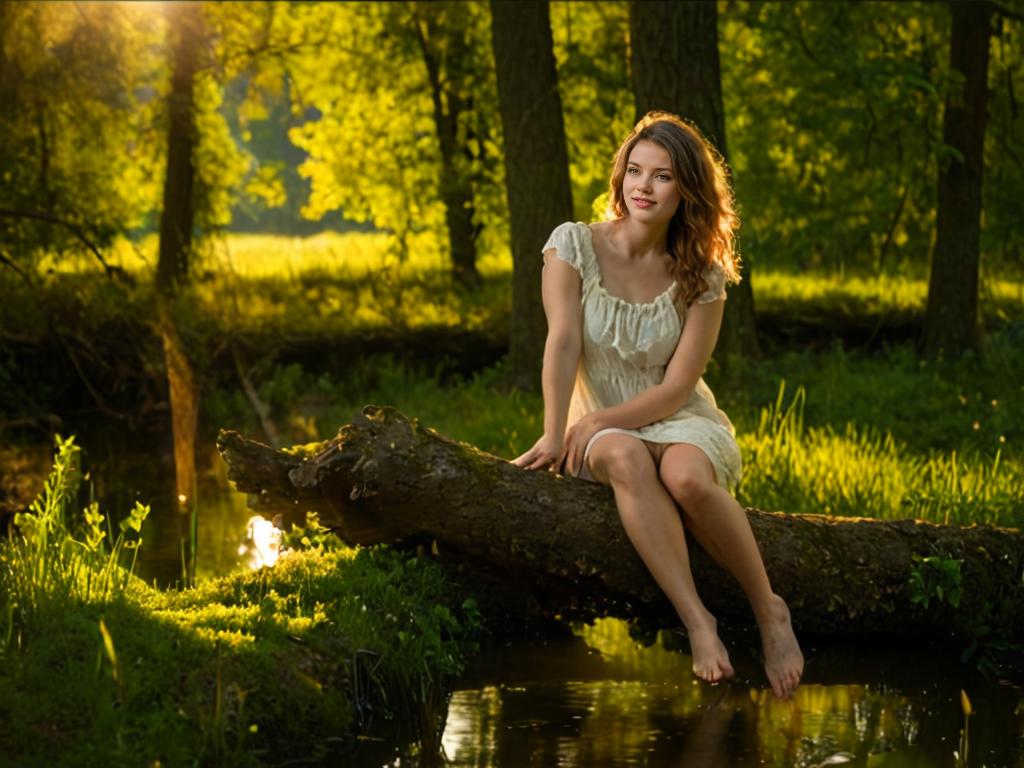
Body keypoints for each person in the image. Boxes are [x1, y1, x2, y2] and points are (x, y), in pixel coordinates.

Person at [512, 111, 804, 699]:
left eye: (663, 175)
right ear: (620, 178)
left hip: (679, 418)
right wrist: (556, 431)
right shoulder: (572, 246)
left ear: (688, 190)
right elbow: (563, 342)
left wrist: (600, 419)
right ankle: (700, 623)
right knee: (621, 456)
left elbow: (676, 389)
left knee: (688, 479)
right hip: (604, 424)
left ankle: (771, 611)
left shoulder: (702, 274)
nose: (643, 187)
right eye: (635, 171)